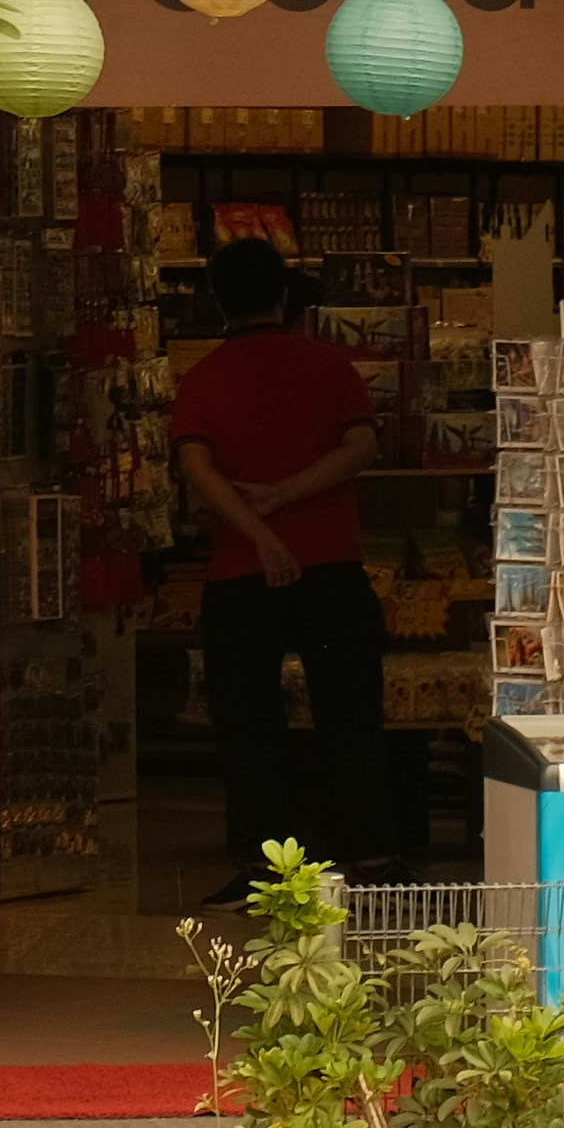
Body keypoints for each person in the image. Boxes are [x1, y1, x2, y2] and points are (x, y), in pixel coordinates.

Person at [171, 237, 400, 885]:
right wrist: (288, 498)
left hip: (239, 577)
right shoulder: (331, 367)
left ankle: (264, 865)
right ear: (284, 295)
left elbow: (197, 470)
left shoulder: (204, 377)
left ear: (219, 299)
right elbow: (361, 448)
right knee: (350, 712)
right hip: (333, 566)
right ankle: (371, 855)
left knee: (249, 726)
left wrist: (259, 531)